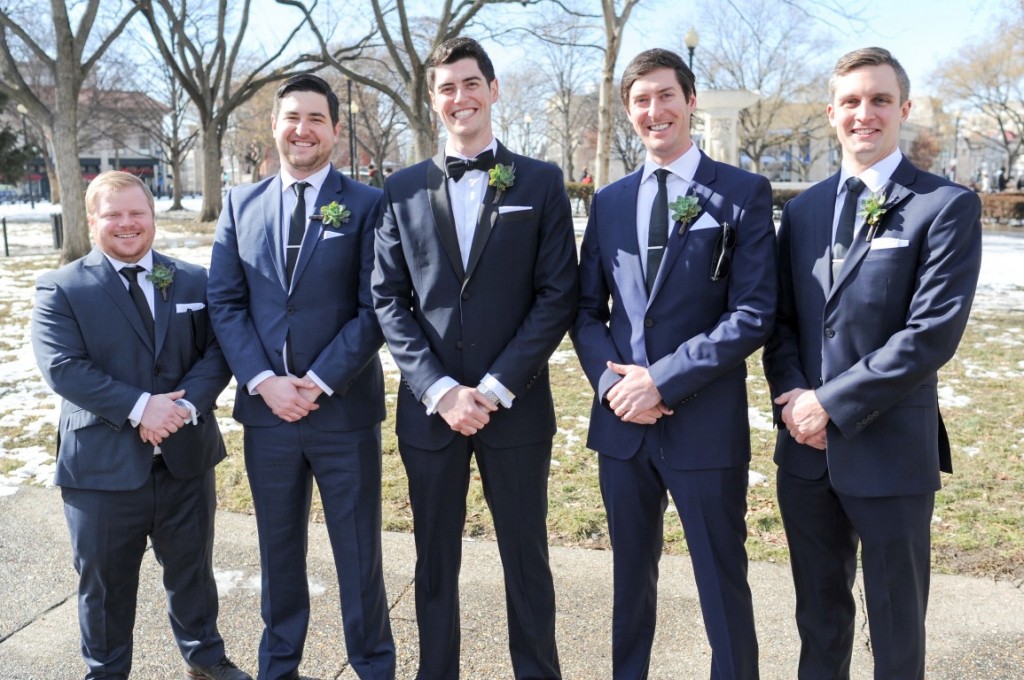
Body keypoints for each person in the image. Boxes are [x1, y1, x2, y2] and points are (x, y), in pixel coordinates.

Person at [762, 47, 982, 679]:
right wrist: (794, 398)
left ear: (903, 110)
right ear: (832, 113)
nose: (865, 113)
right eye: (851, 101)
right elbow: (782, 323)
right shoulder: (802, 210)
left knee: (895, 623)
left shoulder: (944, 206)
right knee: (818, 618)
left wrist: (828, 403)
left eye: (880, 100)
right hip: (804, 455)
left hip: (890, 453)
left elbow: (929, 335)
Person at [371, 36, 578, 680]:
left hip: (514, 409)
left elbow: (556, 296)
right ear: (433, 103)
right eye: (446, 89)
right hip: (430, 413)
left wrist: (490, 388)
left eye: (470, 84)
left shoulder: (540, 182)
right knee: (434, 560)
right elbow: (388, 298)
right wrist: (438, 389)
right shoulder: (400, 189)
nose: (459, 98)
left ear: (493, 90)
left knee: (526, 556)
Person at [570, 48, 775, 680]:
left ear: (689, 101)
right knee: (630, 581)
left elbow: (754, 311)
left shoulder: (741, 193)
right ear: (629, 111)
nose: (654, 111)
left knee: (721, 582)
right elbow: (585, 311)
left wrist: (662, 380)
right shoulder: (608, 202)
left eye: (665, 96)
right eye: (640, 100)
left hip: (704, 424)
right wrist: (617, 386)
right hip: (622, 429)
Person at [207, 74, 395, 680]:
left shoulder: (367, 205)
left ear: (335, 131)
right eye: (292, 117)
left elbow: (377, 308)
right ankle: (279, 666)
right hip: (268, 416)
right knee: (278, 552)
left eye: (316, 118)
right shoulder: (240, 203)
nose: (302, 129)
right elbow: (225, 304)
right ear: (274, 125)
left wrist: (316, 380)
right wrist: (264, 381)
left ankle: (371, 665)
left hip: (342, 412)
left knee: (359, 554)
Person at [31, 171, 248, 680]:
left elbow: (219, 351)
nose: (127, 224)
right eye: (113, 215)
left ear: (152, 217)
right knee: (104, 583)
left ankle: (205, 657)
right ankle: (105, 670)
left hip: (185, 458)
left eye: (137, 213)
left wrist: (180, 409)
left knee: (193, 569)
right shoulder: (61, 287)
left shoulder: (194, 279)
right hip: (101, 468)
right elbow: (63, 367)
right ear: (92, 222)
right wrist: (139, 408)